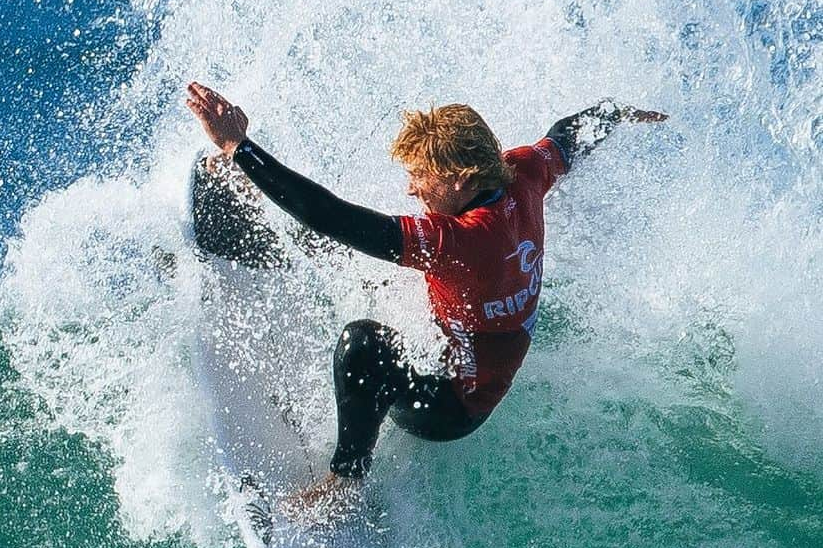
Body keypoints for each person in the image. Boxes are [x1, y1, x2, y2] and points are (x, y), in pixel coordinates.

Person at [186, 80, 667, 508]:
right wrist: (615, 112)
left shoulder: (461, 241)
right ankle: (258, 203)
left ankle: (343, 486)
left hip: (452, 408)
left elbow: (332, 215)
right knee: (359, 253)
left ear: (460, 178)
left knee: (362, 344)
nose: (412, 188)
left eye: (421, 175)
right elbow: (567, 134)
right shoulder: (521, 173)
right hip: (460, 345)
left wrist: (239, 146)